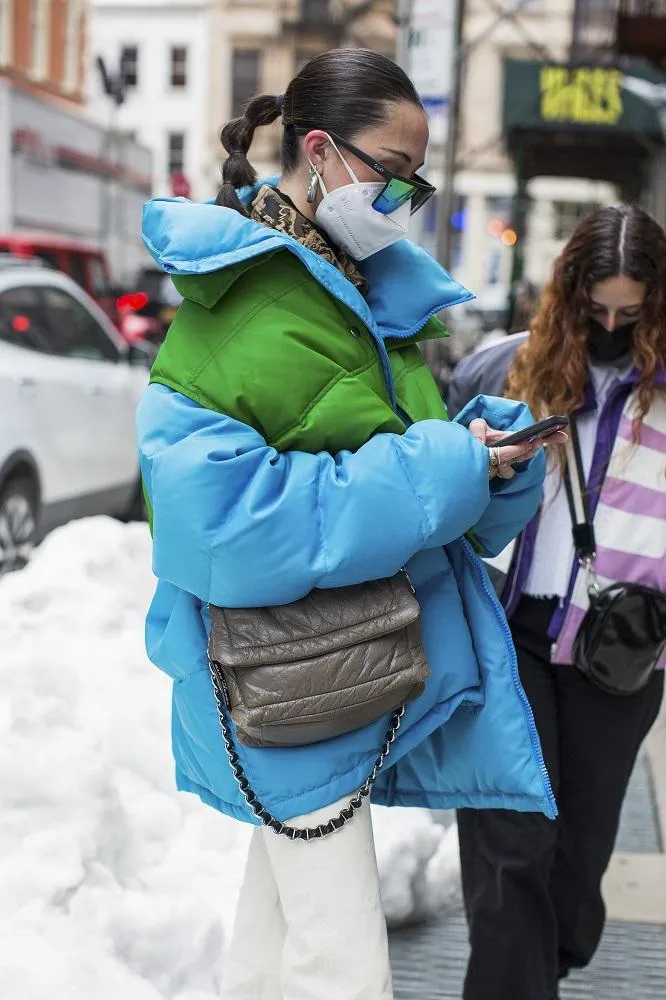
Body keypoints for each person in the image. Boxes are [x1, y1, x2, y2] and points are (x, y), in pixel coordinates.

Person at [136, 49, 564, 1000]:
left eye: (418, 178)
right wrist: (439, 468)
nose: (405, 197)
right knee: (342, 967)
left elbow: (410, 487)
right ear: (321, 149)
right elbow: (220, 525)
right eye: (393, 171)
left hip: (332, 670)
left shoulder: (362, 295)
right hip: (287, 675)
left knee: (276, 943)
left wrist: (483, 463)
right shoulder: (239, 303)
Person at [448, 203, 666, 1000]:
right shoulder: (505, 368)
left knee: (574, 871)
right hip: (512, 633)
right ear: (568, 294)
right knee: (511, 856)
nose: (609, 327)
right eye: (596, 309)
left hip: (623, 654)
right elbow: (439, 484)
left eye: (629, 315)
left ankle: (542, 966)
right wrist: (478, 464)